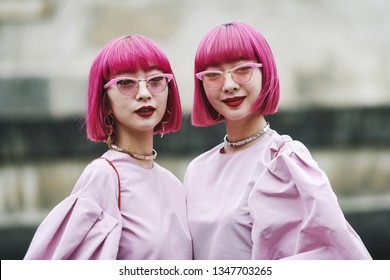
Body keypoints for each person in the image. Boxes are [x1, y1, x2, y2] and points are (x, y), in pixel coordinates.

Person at [184, 21, 372, 260]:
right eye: (213, 74)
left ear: (266, 72)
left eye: (242, 69)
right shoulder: (197, 169)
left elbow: (327, 254)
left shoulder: (284, 160)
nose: (229, 85)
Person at [24, 34, 192, 259]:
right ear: (105, 102)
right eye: (125, 83)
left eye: (156, 80)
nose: (144, 93)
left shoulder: (173, 184)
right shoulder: (104, 176)